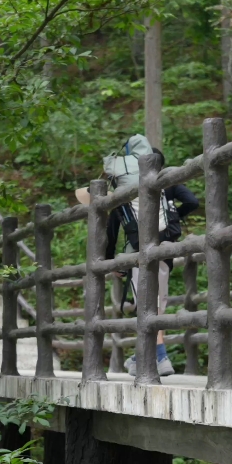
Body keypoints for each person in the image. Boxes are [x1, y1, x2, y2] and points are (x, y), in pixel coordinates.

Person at [77, 145, 199, 377]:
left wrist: (111, 262)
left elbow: (111, 232)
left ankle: (160, 357)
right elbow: (192, 201)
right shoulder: (168, 183)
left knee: (147, 302)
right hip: (166, 248)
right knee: (155, 302)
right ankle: (143, 357)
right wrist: (175, 217)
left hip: (138, 251)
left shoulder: (125, 193)